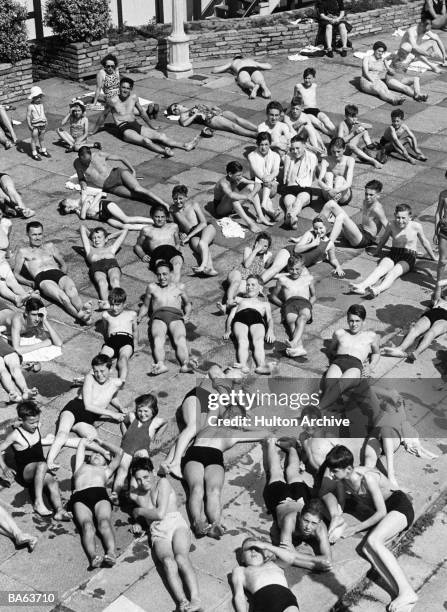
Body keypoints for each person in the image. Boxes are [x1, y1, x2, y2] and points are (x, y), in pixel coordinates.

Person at [323, 445, 418, 612]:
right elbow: (338, 502)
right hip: (388, 513)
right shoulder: (343, 479)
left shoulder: (368, 478)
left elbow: (381, 512)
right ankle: (400, 593)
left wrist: (354, 529)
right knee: (367, 548)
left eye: (334, 471)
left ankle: (408, 592)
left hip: (400, 508)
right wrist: (336, 522)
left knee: (374, 540)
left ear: (349, 468)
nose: (331, 474)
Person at [130, 457, 202, 612]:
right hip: (157, 532)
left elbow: (160, 513)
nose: (143, 482)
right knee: (168, 562)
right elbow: (143, 516)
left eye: (145, 477)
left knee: (181, 558)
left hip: (175, 524)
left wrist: (139, 512)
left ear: (152, 472)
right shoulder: (135, 495)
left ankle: (195, 599)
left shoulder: (162, 483)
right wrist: (138, 523)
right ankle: (182, 601)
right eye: (138, 479)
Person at [183, 421, 264, 539]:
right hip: (200, 453)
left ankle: (215, 524)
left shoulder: (229, 432)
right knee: (197, 488)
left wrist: (243, 425)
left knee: (213, 490)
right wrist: (244, 424)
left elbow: (265, 434)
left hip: (209, 455)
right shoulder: (211, 425)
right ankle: (197, 522)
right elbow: (265, 433)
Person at [159, 364, 243, 478]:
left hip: (209, 408)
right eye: (240, 373)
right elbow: (216, 376)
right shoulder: (217, 370)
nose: (243, 376)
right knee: (193, 426)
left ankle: (166, 463)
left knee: (195, 433)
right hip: (199, 396)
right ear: (231, 368)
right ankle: (176, 463)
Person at [45, 354, 125, 471]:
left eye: (102, 371)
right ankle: (50, 461)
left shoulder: (116, 383)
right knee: (63, 433)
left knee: (92, 439)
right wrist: (112, 414)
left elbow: (112, 397)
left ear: (110, 369)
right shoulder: (89, 378)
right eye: (96, 371)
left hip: (88, 419)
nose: (99, 374)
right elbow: (88, 406)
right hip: (75, 408)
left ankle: (53, 440)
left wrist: (121, 407)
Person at [262, 438, 332, 568]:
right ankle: (271, 443)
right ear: (300, 515)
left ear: (319, 522)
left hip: (300, 499)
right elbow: (286, 554)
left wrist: (297, 555)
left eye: (313, 523)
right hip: (281, 499)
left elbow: (328, 559)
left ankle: (292, 447)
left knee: (293, 472)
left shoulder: (320, 527)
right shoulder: (290, 520)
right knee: (276, 472)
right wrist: (314, 564)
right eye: (306, 520)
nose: (308, 527)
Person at [0, 400, 71, 520]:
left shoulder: (36, 425)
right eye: (32, 422)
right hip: (26, 472)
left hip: (40, 469)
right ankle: (38, 503)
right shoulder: (15, 435)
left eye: (37, 421)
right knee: (43, 465)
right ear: (21, 420)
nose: (35, 425)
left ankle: (59, 510)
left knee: (53, 482)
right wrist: (4, 467)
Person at [93, 77, 199, 156]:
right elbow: (103, 116)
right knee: (146, 141)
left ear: (131, 89)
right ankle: (164, 152)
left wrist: (151, 126)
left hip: (135, 124)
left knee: (161, 136)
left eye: (127, 88)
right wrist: (93, 131)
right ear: (119, 87)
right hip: (124, 129)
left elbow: (142, 113)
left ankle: (185, 146)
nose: (125, 90)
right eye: (123, 87)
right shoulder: (112, 101)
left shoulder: (133, 97)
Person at [349, 204, 436, 298]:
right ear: (395, 215)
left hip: (409, 256)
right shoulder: (391, 225)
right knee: (379, 269)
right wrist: (377, 251)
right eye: (398, 217)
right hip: (394, 252)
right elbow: (384, 239)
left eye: (404, 218)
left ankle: (377, 289)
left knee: (393, 273)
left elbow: (425, 242)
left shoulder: (416, 226)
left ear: (410, 217)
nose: (400, 221)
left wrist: (433, 257)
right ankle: (362, 286)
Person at [14, 221, 93, 324]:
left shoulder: (50, 246)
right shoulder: (23, 252)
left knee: (72, 291)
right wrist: (30, 283)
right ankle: (82, 317)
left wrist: (63, 276)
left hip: (57, 273)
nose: (37, 237)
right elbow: (16, 274)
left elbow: (63, 264)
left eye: (39, 234)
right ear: (27, 234)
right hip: (42, 278)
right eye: (34, 234)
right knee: (63, 298)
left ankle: (83, 312)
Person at [70, 436, 122, 568]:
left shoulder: (106, 470)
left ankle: (110, 553)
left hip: (100, 494)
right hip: (80, 497)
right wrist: (95, 445)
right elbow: (82, 443)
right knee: (87, 526)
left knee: (104, 522)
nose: (96, 455)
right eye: (94, 453)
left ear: (106, 460)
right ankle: (93, 556)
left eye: (101, 454)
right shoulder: (80, 466)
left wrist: (102, 442)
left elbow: (120, 453)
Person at [319, 304, 380, 412]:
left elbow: (376, 353)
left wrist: (370, 366)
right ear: (347, 320)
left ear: (363, 321)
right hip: (338, 362)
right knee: (329, 386)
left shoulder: (371, 336)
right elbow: (330, 349)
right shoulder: (339, 333)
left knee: (341, 384)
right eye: (351, 321)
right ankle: (323, 413)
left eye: (357, 321)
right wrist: (333, 355)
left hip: (355, 366)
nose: (354, 324)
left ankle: (318, 409)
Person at [138, 260, 193, 375]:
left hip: (176, 316)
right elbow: (145, 306)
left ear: (171, 274)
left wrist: (187, 314)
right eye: (159, 275)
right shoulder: (152, 287)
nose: (162, 277)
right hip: (158, 317)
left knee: (180, 339)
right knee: (158, 339)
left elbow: (188, 304)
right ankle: (160, 364)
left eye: (165, 274)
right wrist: (139, 316)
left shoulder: (180, 287)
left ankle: (185, 364)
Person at [74, 146, 169, 209]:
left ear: (91, 155)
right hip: (109, 186)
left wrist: (132, 170)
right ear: (79, 157)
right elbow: (81, 177)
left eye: (89, 159)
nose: (88, 162)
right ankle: (156, 204)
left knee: (137, 189)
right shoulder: (77, 164)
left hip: (118, 173)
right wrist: (82, 182)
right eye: (85, 161)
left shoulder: (99, 155)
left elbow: (121, 158)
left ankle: (164, 203)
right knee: (134, 195)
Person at [112, 394, 166, 501]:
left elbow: (165, 423)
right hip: (126, 450)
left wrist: (159, 433)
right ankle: (115, 494)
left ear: (153, 411)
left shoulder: (155, 422)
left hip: (140, 451)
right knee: (122, 471)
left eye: (146, 411)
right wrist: (125, 433)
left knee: (140, 467)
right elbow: (123, 421)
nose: (142, 414)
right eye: (140, 410)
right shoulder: (132, 417)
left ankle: (144, 489)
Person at [262, 217, 344, 285]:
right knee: (275, 268)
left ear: (326, 227)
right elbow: (297, 249)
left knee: (308, 278)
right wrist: (312, 244)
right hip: (290, 253)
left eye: (321, 228)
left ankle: (274, 274)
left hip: (298, 264)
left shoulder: (329, 244)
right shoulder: (309, 234)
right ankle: (258, 284)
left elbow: (333, 259)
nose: (318, 231)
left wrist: (338, 267)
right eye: (315, 228)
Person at [231, 537, 299, 612]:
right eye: (248, 549)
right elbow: (239, 596)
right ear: (242, 558)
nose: (253, 551)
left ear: (265, 555)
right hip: (262, 603)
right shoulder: (241, 570)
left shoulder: (274, 563)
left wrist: (265, 546)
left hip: (285, 599)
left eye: (257, 548)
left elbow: (291, 558)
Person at [223, 274, 275, 374]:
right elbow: (231, 316)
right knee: (242, 340)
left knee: (259, 341)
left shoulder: (265, 304)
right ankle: (242, 364)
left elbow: (269, 319)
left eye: (253, 285)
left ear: (260, 288)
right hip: (240, 318)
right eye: (247, 285)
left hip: (257, 319)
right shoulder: (239, 299)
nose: (249, 287)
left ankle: (261, 365)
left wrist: (270, 330)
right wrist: (228, 330)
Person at [270, 255, 316, 358]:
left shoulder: (308, 279)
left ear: (303, 267)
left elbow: (313, 296)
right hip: (289, 304)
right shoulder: (282, 280)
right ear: (287, 268)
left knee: (302, 318)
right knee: (291, 322)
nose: (294, 272)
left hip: (304, 303)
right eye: (291, 269)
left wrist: (310, 306)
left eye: (297, 269)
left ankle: (294, 342)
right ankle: (299, 348)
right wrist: (283, 306)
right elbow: (273, 296)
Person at [321, 179, 388, 249]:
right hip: (360, 230)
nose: (368, 197)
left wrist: (396, 245)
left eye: (371, 195)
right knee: (331, 203)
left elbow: (389, 228)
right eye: (366, 194)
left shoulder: (377, 209)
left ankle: (327, 247)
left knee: (341, 217)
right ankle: (314, 230)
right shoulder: (365, 201)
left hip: (364, 239)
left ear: (378, 195)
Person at [217, 232, 273, 313]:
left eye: (265, 246)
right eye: (260, 244)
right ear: (256, 243)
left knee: (242, 290)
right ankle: (228, 301)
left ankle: (226, 307)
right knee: (236, 282)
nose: (262, 248)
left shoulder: (266, 256)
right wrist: (256, 250)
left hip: (247, 279)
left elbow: (265, 268)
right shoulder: (249, 250)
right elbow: (247, 264)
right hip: (238, 272)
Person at [170, 184, 217, 276]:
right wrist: (180, 233)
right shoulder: (173, 209)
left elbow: (203, 222)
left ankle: (202, 266)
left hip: (205, 228)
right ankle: (210, 268)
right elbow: (175, 224)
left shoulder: (193, 205)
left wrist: (188, 236)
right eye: (175, 199)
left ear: (186, 197)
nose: (178, 201)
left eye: (180, 198)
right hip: (192, 234)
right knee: (201, 249)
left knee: (203, 243)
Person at [382, 298, 447, 362]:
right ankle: (400, 349)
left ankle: (416, 353)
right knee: (415, 329)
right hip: (434, 312)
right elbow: (437, 292)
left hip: (445, 319)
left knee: (431, 333)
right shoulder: (440, 300)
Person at [80, 225, 127, 310]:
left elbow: (124, 231)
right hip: (97, 267)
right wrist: (92, 236)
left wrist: (109, 237)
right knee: (102, 282)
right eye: (94, 238)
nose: (96, 240)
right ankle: (106, 303)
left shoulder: (111, 248)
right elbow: (82, 228)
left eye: (99, 237)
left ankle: (119, 302)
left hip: (112, 265)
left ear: (105, 239)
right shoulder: (89, 249)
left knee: (115, 280)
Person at [134, 205, 183, 283]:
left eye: (162, 217)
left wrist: (177, 248)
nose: (160, 219)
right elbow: (137, 246)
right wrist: (142, 255)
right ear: (152, 217)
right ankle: (166, 288)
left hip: (172, 251)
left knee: (177, 266)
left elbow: (177, 242)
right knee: (163, 270)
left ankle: (174, 288)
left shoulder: (173, 226)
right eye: (157, 217)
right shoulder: (147, 230)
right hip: (157, 254)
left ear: (166, 217)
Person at [58, 192, 155, 230]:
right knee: (123, 226)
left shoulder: (82, 199)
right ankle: (147, 227)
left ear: (69, 201)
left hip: (105, 206)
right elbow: (83, 215)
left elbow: (83, 216)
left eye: (69, 208)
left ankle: (153, 221)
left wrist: (83, 209)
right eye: (69, 211)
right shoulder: (78, 208)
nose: (71, 210)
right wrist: (78, 211)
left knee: (126, 219)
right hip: (103, 217)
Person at [213, 161, 263, 233]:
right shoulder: (223, 183)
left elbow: (257, 183)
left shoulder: (237, 178)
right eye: (238, 175)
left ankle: (260, 216)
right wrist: (247, 197)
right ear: (230, 174)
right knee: (233, 197)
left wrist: (252, 194)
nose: (241, 177)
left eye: (241, 174)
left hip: (231, 205)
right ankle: (250, 224)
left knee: (251, 187)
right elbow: (231, 195)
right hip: (220, 209)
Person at [281, 134, 319, 229]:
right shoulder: (288, 157)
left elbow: (314, 177)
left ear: (304, 146)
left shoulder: (312, 157)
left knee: (299, 201)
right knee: (289, 205)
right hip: (290, 187)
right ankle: (291, 218)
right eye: (293, 149)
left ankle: (289, 218)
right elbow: (286, 175)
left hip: (304, 188)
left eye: (298, 148)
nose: (295, 151)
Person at [100, 288, 137, 381]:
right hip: (112, 340)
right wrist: (107, 342)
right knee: (102, 358)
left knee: (123, 358)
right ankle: (94, 376)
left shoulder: (131, 314)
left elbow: (135, 331)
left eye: (117, 305)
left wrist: (135, 345)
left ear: (124, 304)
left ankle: (122, 380)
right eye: (112, 305)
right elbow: (105, 330)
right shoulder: (106, 315)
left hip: (126, 340)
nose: (114, 308)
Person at [0, 211, 36, 307]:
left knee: (13, 282)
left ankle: (28, 298)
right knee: (2, 285)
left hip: (2, 262)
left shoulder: (6, 224)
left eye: (0, 213)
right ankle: (16, 299)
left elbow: (6, 242)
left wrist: (7, 253)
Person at [167, 102, 258, 138]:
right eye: (173, 111)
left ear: (178, 104)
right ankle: (254, 135)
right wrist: (195, 115)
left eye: (175, 106)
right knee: (233, 126)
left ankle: (258, 129)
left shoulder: (190, 106)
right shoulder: (183, 115)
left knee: (238, 119)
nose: (176, 109)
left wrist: (214, 107)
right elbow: (184, 124)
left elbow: (207, 107)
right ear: (175, 114)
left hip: (216, 112)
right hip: (211, 119)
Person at [248, 132, 281, 220]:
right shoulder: (251, 155)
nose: (264, 147)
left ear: (270, 144)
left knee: (265, 186)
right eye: (261, 144)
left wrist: (269, 178)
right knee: (263, 194)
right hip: (257, 184)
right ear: (257, 144)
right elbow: (256, 171)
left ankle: (263, 206)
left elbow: (276, 171)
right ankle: (271, 211)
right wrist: (266, 179)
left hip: (272, 186)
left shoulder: (276, 156)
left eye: (266, 144)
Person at [294, 68, 335, 136]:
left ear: (314, 78)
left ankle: (336, 132)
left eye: (309, 78)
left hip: (315, 110)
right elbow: (294, 100)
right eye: (305, 78)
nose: (307, 80)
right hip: (305, 111)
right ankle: (332, 135)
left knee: (326, 119)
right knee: (319, 124)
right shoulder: (298, 86)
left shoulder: (314, 86)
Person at [318, 137, 355, 205]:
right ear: (330, 150)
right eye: (333, 152)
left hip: (343, 194)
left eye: (338, 151)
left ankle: (332, 204)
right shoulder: (326, 160)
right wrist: (329, 190)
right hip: (328, 193)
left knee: (339, 178)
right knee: (328, 174)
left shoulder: (350, 160)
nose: (336, 155)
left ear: (344, 149)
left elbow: (349, 183)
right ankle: (332, 204)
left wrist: (336, 191)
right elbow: (319, 181)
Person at [26, 86, 51, 161]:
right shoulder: (30, 106)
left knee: (42, 138)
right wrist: (29, 125)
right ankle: (34, 153)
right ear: (33, 97)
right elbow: (28, 116)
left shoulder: (41, 105)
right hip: (35, 126)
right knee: (34, 140)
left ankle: (43, 150)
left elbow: (43, 113)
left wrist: (46, 120)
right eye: (37, 97)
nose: (39, 98)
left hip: (42, 124)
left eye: (40, 96)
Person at [433, 187, 447, 302]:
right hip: (444, 231)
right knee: (442, 261)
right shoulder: (443, 194)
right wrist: (435, 231)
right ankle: (438, 286)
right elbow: (438, 213)